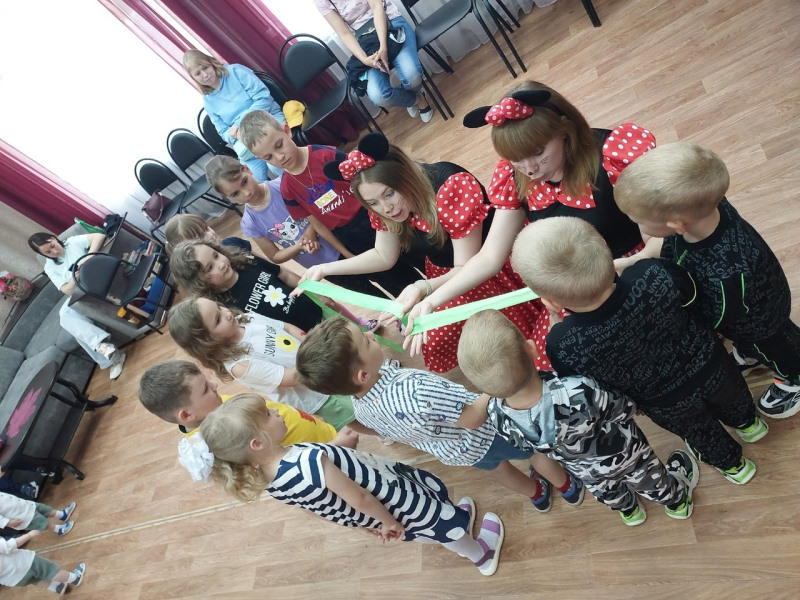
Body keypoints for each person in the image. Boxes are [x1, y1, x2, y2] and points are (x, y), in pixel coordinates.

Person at [403, 81, 659, 370]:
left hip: (632, 271)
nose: (530, 169)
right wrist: (431, 299)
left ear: (564, 129)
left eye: (538, 152)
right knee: (551, 358)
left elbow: (658, 242)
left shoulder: (611, 158)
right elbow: (489, 257)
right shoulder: (515, 178)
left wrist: (606, 271)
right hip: (574, 286)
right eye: (516, 160)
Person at [511, 216, 765, 485]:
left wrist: (556, 325)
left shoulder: (562, 342)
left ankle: (735, 467)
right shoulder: (653, 273)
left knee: (701, 434)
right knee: (734, 396)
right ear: (607, 252)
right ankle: (750, 425)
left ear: (551, 302)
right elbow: (692, 297)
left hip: (663, 402)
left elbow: (590, 385)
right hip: (713, 364)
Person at [294, 133, 542, 374]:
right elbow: (383, 255)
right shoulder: (385, 203)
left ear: (405, 176)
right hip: (447, 275)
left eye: (389, 194)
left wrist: (423, 288)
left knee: (516, 337)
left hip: (487, 267)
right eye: (373, 203)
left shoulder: (450, 185)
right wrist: (324, 268)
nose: (386, 208)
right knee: (435, 339)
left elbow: (470, 265)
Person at [295, 318, 587, 513]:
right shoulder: (415, 388)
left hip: (456, 451)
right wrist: (494, 387)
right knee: (535, 453)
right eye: (366, 341)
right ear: (362, 374)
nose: (372, 334)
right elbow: (473, 418)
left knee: (499, 469)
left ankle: (537, 494)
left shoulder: (360, 407)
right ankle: (567, 487)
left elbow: (386, 407)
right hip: (487, 431)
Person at [200, 394, 505, 576]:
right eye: (268, 415)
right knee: (433, 521)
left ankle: (456, 523)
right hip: (392, 502)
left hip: (373, 515)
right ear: (257, 442)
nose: (277, 411)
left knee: (430, 524)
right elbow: (358, 497)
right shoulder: (310, 460)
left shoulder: (272, 480)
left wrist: (360, 525)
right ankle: (479, 553)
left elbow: (316, 504)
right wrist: (389, 521)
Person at [457, 310, 699, 526]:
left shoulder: (497, 416)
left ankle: (630, 511)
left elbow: (525, 446)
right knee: (650, 480)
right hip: (627, 454)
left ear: (485, 389)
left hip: (583, 470)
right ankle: (677, 503)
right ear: (531, 348)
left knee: (608, 492)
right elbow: (622, 407)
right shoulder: (577, 390)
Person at [615, 142, 800, 420]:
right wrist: (636, 260)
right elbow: (667, 244)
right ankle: (750, 353)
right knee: (756, 343)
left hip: (757, 323)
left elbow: (716, 316)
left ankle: (793, 377)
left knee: (777, 348)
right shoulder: (705, 209)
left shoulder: (725, 274)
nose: (637, 225)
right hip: (744, 303)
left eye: (639, 221)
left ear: (676, 224)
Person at [238, 110, 421, 296]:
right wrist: (346, 253)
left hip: (375, 216)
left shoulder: (325, 154)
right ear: (260, 159)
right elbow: (318, 225)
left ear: (287, 131)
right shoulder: (286, 189)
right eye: (269, 157)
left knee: (417, 254)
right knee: (395, 283)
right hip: (350, 239)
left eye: (279, 145)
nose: (279, 157)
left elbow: (365, 181)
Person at [138, 360, 358, 481]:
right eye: (205, 389)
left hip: (323, 437)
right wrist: (333, 450)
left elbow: (267, 411)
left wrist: (309, 420)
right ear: (187, 415)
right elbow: (281, 471)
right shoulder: (222, 441)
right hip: (326, 464)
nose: (215, 385)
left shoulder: (214, 405)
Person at [168, 297, 357, 431]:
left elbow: (285, 327)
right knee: (355, 415)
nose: (226, 313)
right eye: (218, 320)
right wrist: (323, 359)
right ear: (207, 341)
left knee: (360, 397)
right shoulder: (240, 365)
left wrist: (313, 343)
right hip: (317, 396)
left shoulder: (246, 318)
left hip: (325, 368)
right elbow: (290, 378)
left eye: (219, 307)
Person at [168, 240, 378, 333]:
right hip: (306, 335)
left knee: (355, 333)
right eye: (210, 268)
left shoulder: (246, 261)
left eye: (216, 255)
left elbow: (284, 274)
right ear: (199, 281)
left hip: (315, 308)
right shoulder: (222, 305)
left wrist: (315, 292)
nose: (221, 264)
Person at [205, 156, 337, 267]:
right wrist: (300, 246)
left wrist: (310, 232)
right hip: (319, 265)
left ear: (247, 169)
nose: (247, 193)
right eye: (235, 193)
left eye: (244, 182)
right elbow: (274, 256)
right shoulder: (249, 224)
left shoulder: (284, 185)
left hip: (337, 238)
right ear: (227, 196)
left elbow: (318, 207)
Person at [27, 232, 126, 379]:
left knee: (67, 318)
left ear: (54, 238)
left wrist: (88, 257)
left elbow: (99, 236)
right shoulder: (50, 267)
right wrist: (75, 277)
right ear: (43, 255)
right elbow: (67, 290)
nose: (54, 252)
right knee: (69, 321)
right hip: (78, 293)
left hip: (94, 281)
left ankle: (111, 358)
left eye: (53, 246)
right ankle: (103, 347)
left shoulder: (72, 242)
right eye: (48, 252)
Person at [313, 0, 432, 121]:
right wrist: (364, 60)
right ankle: (416, 98)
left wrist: (383, 47)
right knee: (379, 96)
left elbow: (377, 7)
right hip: (366, 40)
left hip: (390, 22)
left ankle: (412, 89)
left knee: (412, 76)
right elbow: (344, 33)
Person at [183, 49, 284, 182]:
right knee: (251, 181)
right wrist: (236, 135)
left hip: (269, 119)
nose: (205, 75)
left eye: (205, 68)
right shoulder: (208, 101)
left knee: (275, 166)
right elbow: (223, 132)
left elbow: (263, 98)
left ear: (211, 63)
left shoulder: (236, 71)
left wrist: (239, 124)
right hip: (246, 140)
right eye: (198, 73)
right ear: (194, 78)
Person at [0, 533, 85, 595]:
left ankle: (58, 587)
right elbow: (9, 546)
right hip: (24, 563)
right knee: (51, 571)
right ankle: (74, 578)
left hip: (14, 580)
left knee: (37, 580)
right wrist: (29, 535)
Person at [163, 213, 262, 257]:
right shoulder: (207, 277)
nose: (210, 235)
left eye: (206, 228)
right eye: (200, 237)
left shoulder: (233, 243)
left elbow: (265, 262)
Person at [0, 493, 76, 537]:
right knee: (41, 522)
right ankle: (58, 529)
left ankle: (62, 514)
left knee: (44, 509)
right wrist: (8, 523)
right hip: (20, 516)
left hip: (24, 505)